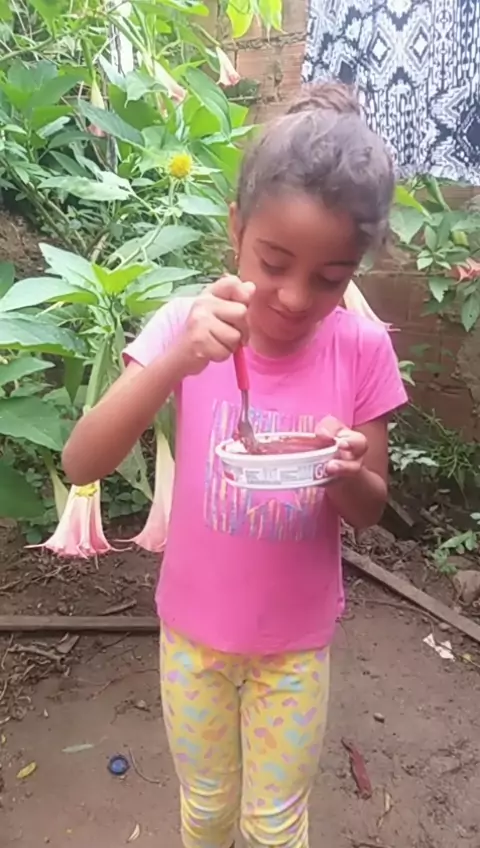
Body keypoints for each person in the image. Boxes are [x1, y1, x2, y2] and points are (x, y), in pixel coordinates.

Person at [63, 83, 408, 848]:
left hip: (295, 649)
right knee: (207, 811)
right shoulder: (187, 328)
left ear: (354, 269)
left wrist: (346, 470)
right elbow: (81, 459)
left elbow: (369, 509)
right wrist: (175, 362)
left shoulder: (362, 349)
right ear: (236, 229)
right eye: (273, 262)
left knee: (275, 826)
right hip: (193, 641)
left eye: (330, 277)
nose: (294, 298)